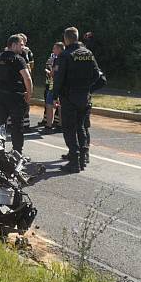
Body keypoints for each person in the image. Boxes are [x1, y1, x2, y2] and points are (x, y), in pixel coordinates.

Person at [53, 26, 102, 173]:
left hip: (69, 97)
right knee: (81, 127)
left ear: (66, 39)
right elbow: (96, 75)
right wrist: (86, 87)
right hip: (84, 96)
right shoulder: (88, 53)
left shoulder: (66, 55)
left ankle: (74, 161)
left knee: (69, 128)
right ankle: (83, 158)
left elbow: (59, 78)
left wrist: (55, 95)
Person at [0, 34, 33, 155]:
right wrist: (29, 94)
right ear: (13, 45)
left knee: (0, 124)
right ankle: (17, 152)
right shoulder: (19, 59)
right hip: (16, 97)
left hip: (1, 96)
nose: (22, 47)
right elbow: (27, 78)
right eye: (21, 44)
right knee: (17, 126)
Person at [40, 42, 65, 132]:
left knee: (49, 104)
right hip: (65, 86)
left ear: (59, 49)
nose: (53, 50)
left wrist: (47, 71)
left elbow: (53, 73)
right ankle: (61, 124)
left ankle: (49, 125)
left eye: (54, 48)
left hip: (54, 85)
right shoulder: (69, 57)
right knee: (61, 105)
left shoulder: (57, 59)